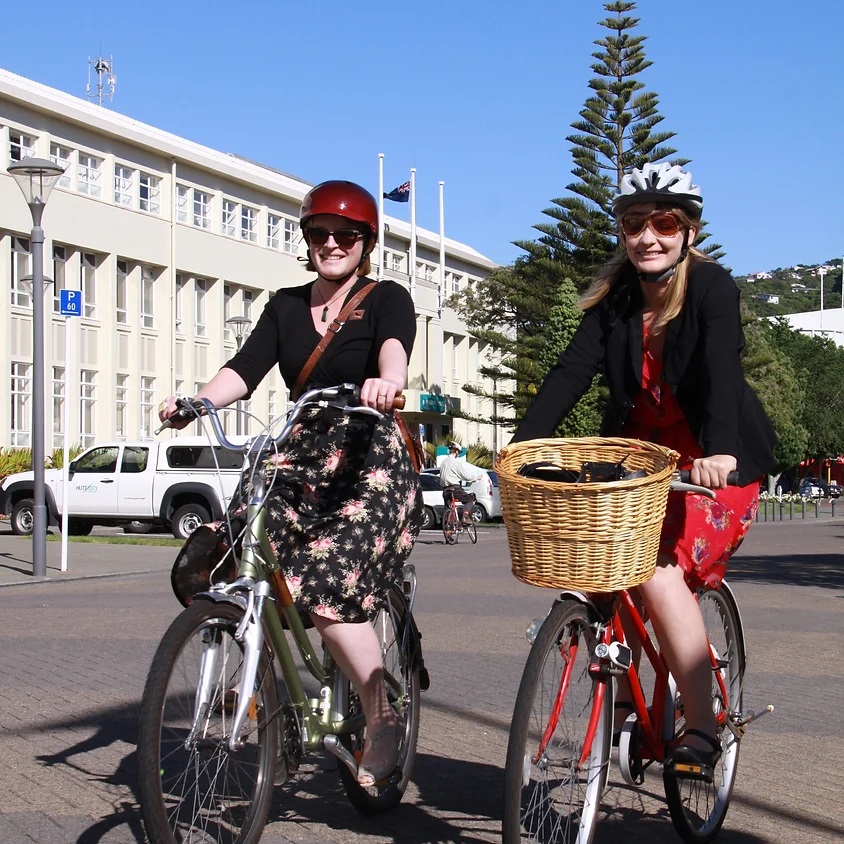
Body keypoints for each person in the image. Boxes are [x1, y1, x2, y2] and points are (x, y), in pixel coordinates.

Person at [511, 162, 777, 782]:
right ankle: (626, 698)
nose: (648, 237)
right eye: (635, 225)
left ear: (686, 231)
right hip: (643, 459)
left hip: (717, 464)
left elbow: (722, 369)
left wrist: (718, 452)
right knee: (599, 564)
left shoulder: (711, 288)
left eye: (663, 224)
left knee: (654, 573)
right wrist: (522, 447)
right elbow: (570, 374)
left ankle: (704, 722)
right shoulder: (618, 300)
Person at [159, 179, 423, 787]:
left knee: (325, 581)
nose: (331, 243)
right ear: (306, 239)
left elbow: (393, 351)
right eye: (318, 232)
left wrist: (387, 384)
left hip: (367, 452)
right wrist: (197, 402)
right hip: (299, 449)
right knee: (235, 562)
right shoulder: (283, 306)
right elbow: (244, 368)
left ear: (366, 242)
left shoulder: (387, 297)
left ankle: (381, 714)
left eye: (345, 234)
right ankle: (274, 701)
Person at [439, 442, 484, 525]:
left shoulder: (443, 462)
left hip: (445, 489)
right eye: (458, 453)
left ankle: (448, 531)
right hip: (454, 488)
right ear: (456, 452)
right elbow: (465, 475)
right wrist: (475, 478)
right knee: (469, 500)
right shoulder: (456, 462)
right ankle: (465, 517)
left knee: (448, 509)